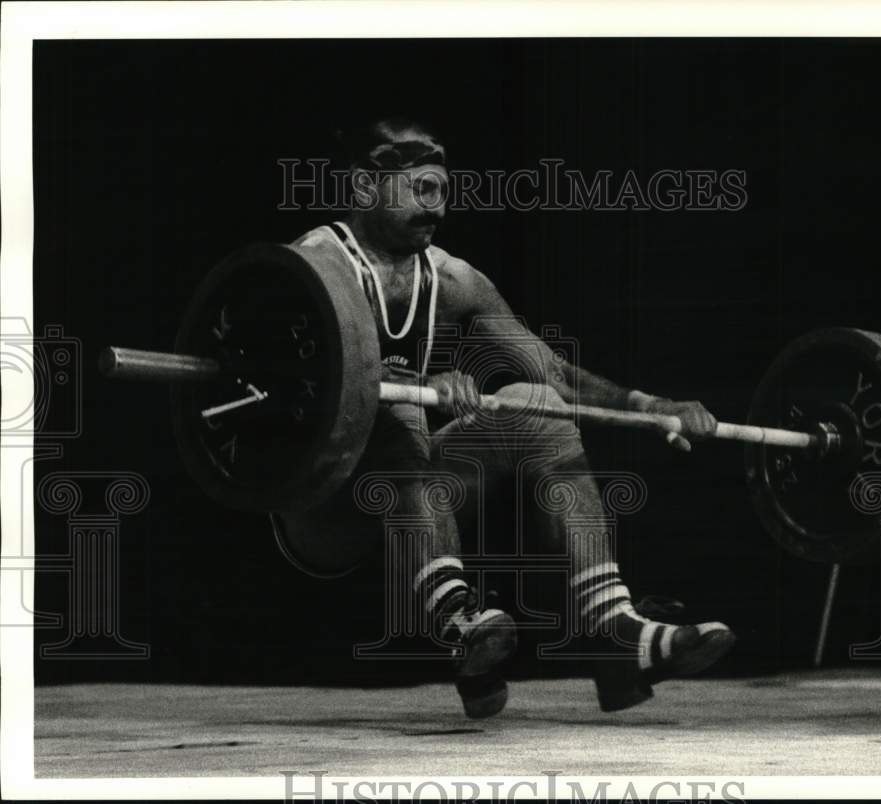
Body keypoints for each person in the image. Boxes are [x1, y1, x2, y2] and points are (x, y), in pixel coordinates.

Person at [278, 116, 734, 718]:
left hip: (415, 488)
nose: (435, 208)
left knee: (537, 407)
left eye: (440, 191)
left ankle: (613, 633)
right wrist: (412, 386)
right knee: (399, 427)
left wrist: (650, 406)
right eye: (419, 190)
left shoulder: (452, 278)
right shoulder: (312, 265)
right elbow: (297, 393)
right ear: (364, 189)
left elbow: (554, 372)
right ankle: (461, 623)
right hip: (326, 503)